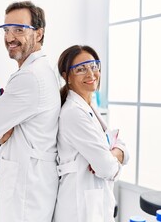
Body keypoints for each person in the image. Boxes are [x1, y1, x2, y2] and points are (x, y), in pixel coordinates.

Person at [0, 1, 61, 222]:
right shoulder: (39, 72)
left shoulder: (30, 77)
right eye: (6, 30)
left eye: (19, 30)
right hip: (32, 184)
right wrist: (2, 126)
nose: (10, 37)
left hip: (26, 190)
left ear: (39, 34)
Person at [53, 45, 129, 222]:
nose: (91, 73)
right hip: (79, 209)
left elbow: (121, 148)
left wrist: (116, 153)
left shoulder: (90, 107)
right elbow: (107, 168)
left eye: (94, 66)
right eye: (81, 69)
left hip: (94, 203)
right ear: (66, 77)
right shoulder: (73, 113)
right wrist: (115, 156)